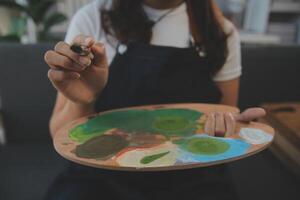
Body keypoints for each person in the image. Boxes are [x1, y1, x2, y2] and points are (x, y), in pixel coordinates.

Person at [44, 0, 265, 199]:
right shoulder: (93, 20)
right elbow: (59, 132)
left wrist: (234, 127)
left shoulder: (219, 32)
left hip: (194, 178)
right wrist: (84, 99)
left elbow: (224, 123)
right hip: (101, 178)